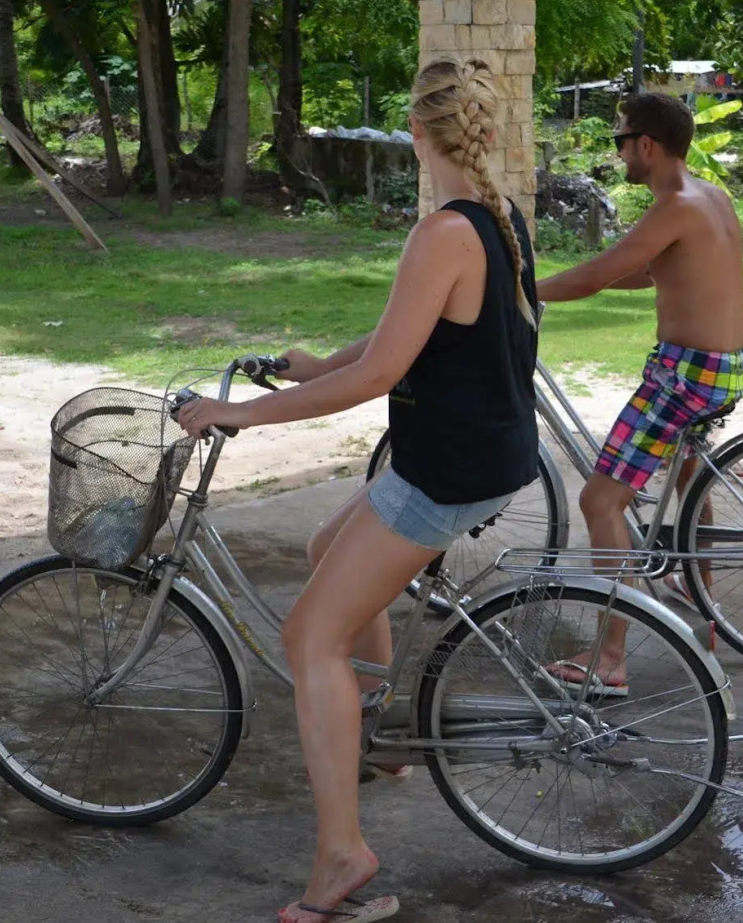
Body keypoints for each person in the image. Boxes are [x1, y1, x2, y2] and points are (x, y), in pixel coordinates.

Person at [175, 56, 538, 923]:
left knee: (309, 638)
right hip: (474, 456)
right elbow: (399, 345)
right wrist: (313, 365)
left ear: (416, 131)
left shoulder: (443, 232)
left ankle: (342, 856)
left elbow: (378, 376)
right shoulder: (497, 218)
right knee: (323, 550)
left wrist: (238, 414)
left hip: (442, 472)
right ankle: (371, 731)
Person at [535, 92, 743, 692]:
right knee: (687, 477)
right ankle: (701, 600)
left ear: (646, 146)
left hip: (685, 373)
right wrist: (564, 284)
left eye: (619, 140)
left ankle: (609, 661)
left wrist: (523, 288)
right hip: (721, 367)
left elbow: (601, 271)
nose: (618, 151)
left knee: (601, 503)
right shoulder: (708, 196)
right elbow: (650, 270)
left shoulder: (674, 205)